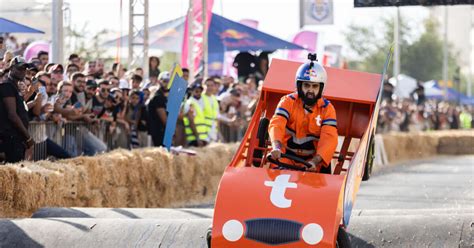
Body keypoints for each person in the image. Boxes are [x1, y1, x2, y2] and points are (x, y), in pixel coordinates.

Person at [268, 54, 338, 174]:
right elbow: (276, 124)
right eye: (306, 85)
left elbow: (329, 139)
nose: (310, 90)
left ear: (321, 88)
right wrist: (276, 147)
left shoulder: (327, 109)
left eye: (315, 86)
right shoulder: (287, 101)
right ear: (299, 86)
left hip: (312, 161)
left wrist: (315, 162)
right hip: (284, 156)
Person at [0, 56, 35, 163]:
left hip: (17, 138)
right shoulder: (7, 86)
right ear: (11, 68)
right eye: (19, 68)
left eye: (24, 69)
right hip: (10, 138)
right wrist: (28, 137)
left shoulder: (15, 88)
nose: (22, 71)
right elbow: (12, 115)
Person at [147, 71, 170, 147]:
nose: (167, 84)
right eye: (165, 81)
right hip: (158, 132)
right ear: (159, 81)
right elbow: (163, 117)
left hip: (161, 131)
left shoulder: (164, 96)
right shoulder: (158, 96)